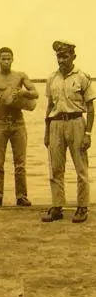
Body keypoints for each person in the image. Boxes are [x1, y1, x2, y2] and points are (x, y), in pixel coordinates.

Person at [43, 40, 96, 223]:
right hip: (56, 124)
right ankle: (57, 206)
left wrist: (88, 134)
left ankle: (82, 207)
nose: (61, 60)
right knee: (56, 167)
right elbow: (49, 106)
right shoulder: (52, 78)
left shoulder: (82, 77)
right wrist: (46, 131)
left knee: (81, 168)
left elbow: (90, 109)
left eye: (65, 56)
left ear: (73, 56)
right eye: (59, 56)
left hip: (76, 123)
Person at [0, 47, 38, 207]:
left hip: (18, 122)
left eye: (8, 58)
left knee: (20, 162)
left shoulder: (20, 76)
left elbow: (35, 93)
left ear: (13, 59)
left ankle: (21, 196)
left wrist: (22, 93)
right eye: (3, 58)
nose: (6, 61)